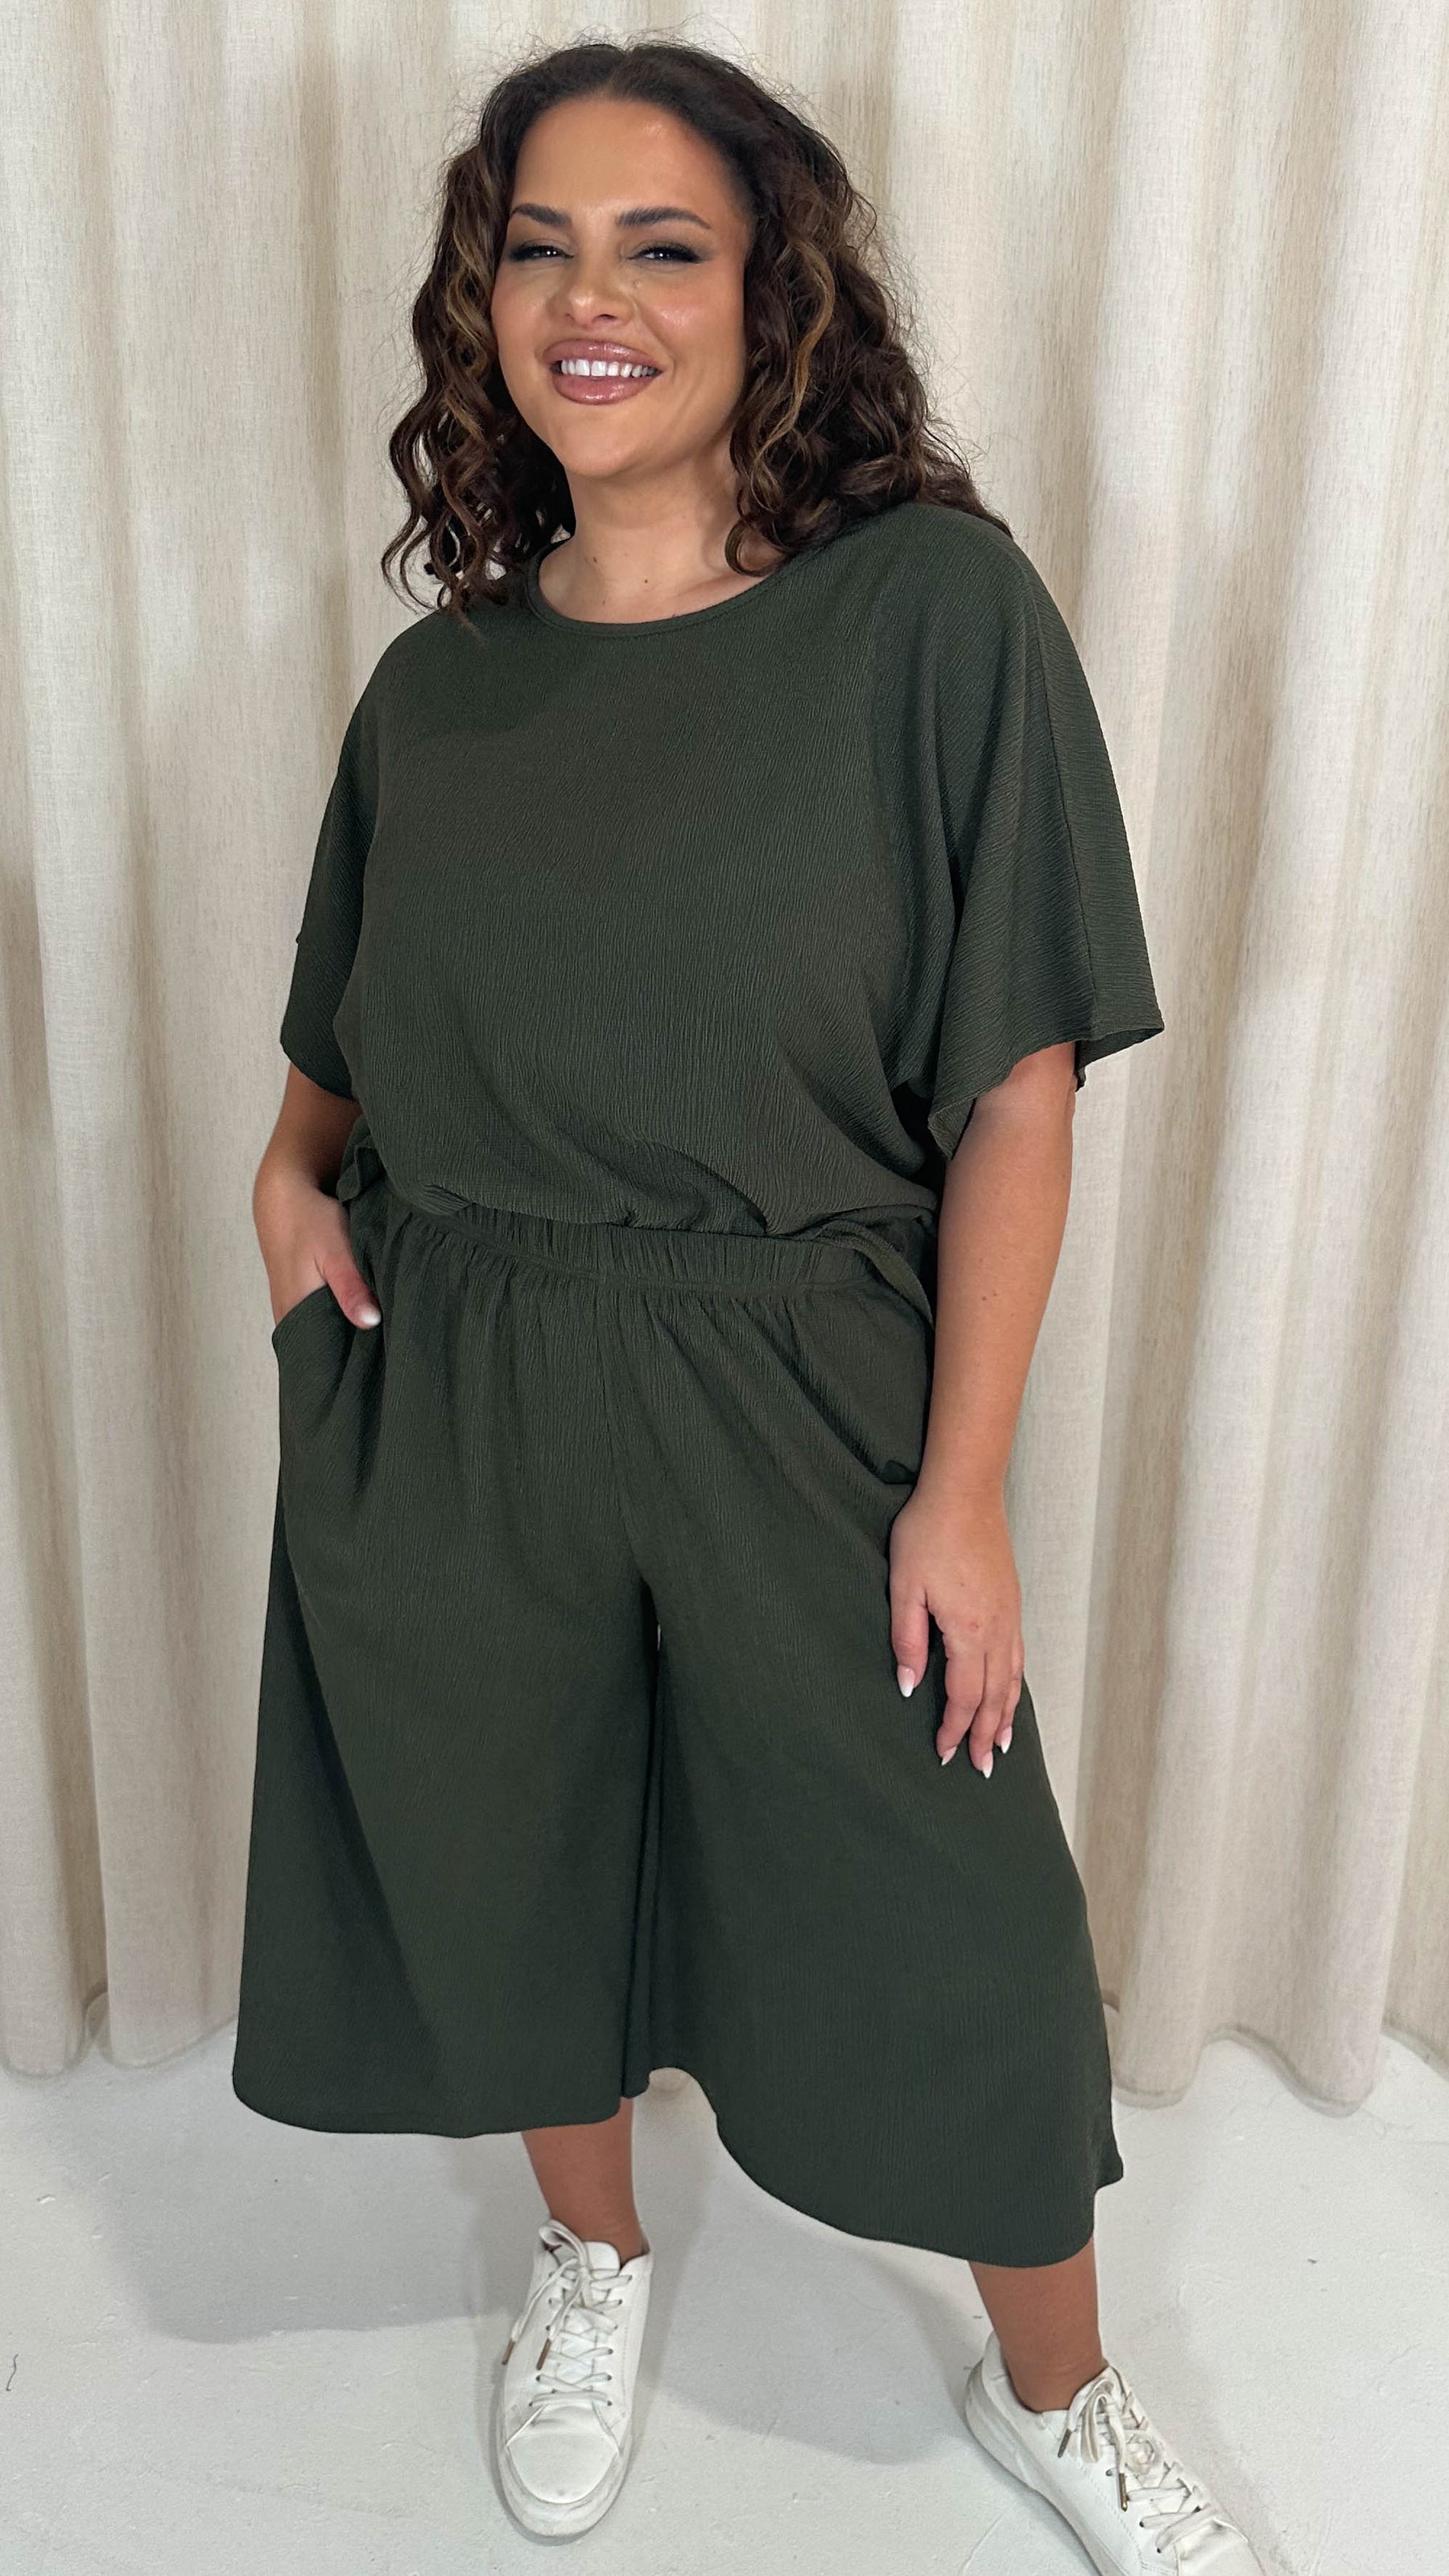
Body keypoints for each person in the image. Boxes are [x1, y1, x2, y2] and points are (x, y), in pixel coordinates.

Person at [231, 36, 1264, 2576]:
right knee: (510, 1859)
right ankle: (588, 2257)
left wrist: (961, 1486)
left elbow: (1012, 1094)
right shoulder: (444, 685)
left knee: (955, 1917)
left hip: (802, 1387)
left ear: (772, 289)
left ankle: (1064, 2385)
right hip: (466, 1389)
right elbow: (338, 1052)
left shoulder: (930, 617)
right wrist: (284, 1190)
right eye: (537, 249)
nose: (588, 301)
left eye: (660, 246)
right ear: (482, 302)